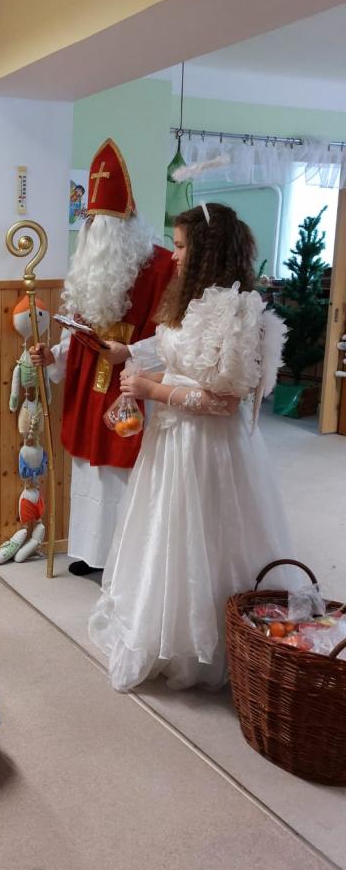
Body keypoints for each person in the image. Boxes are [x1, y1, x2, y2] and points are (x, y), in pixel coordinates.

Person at [88, 202, 291, 692]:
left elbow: (224, 402)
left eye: (181, 247)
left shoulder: (237, 311)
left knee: (204, 536)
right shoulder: (190, 298)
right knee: (165, 531)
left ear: (206, 250)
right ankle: (161, 628)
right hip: (170, 439)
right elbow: (179, 358)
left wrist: (154, 391)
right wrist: (138, 369)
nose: (174, 256)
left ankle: (210, 639)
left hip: (205, 447)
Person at [31, 139, 173, 575]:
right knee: (89, 474)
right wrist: (52, 355)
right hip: (89, 386)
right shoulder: (90, 268)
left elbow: (176, 338)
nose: (92, 234)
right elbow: (77, 329)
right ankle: (93, 554)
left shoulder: (164, 266)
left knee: (125, 476)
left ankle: (126, 562)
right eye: (88, 223)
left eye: (101, 225)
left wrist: (130, 351)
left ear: (125, 225)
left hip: (135, 384)